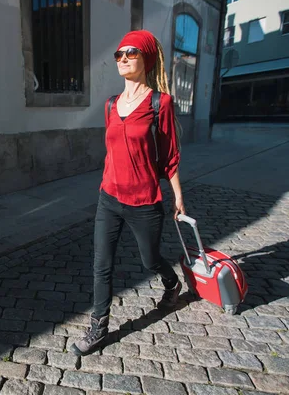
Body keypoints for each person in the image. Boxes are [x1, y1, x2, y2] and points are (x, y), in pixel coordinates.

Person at [70, 30, 186, 356]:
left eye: (130, 53)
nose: (122, 58)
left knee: (150, 260)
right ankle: (99, 327)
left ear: (146, 58)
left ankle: (172, 283)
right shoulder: (110, 105)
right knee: (101, 264)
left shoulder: (159, 103)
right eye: (119, 53)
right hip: (109, 197)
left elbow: (170, 156)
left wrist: (178, 196)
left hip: (144, 201)